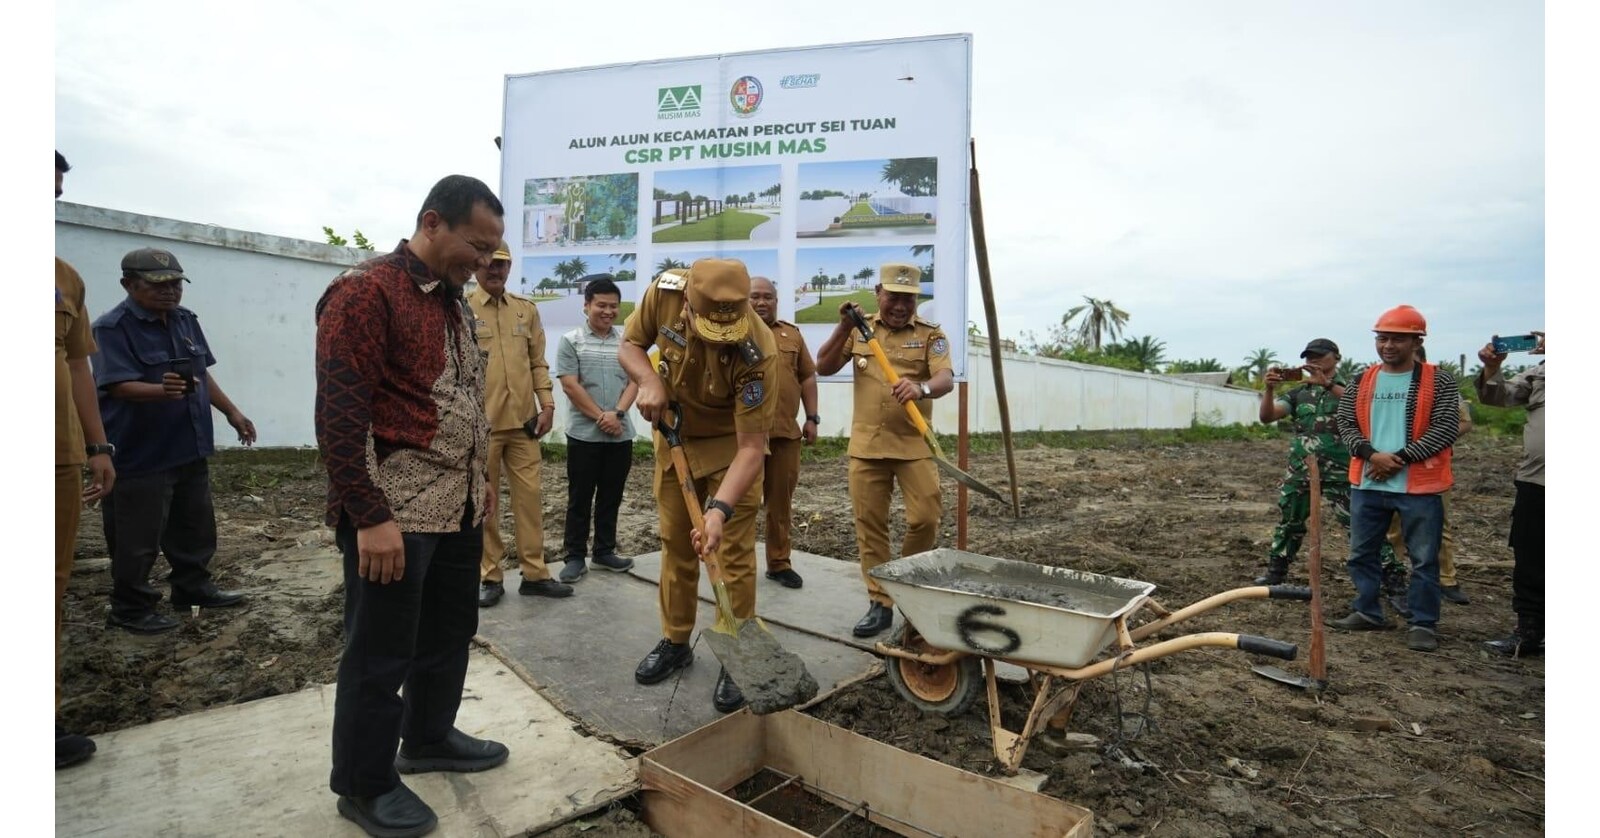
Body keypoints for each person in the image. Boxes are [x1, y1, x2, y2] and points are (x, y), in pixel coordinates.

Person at [315, 175, 510, 838]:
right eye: (476, 246)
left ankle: (427, 737)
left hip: (455, 507)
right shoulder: (365, 292)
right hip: (393, 513)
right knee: (380, 651)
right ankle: (365, 783)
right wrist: (368, 515)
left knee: (448, 634)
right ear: (433, 222)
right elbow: (341, 415)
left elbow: (460, 402)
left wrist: (479, 481)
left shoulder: (455, 301)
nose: (483, 263)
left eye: (491, 252)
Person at [618, 258, 776, 713]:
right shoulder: (664, 293)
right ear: (687, 300)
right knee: (677, 545)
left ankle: (737, 651)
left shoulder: (758, 348)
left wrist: (719, 511)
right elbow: (629, 344)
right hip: (676, 436)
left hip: (732, 447)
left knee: (734, 553)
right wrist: (648, 378)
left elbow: (752, 446)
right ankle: (675, 640)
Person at [92, 247, 252, 635]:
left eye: (176, 284)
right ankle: (130, 607)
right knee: (136, 535)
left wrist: (231, 411)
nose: (170, 292)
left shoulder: (185, 321)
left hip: (188, 442)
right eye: (158, 284)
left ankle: (192, 588)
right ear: (128, 284)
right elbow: (113, 385)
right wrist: (157, 391)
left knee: (195, 525)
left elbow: (202, 374)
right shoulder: (111, 328)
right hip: (141, 451)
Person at [814, 263, 952, 638]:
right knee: (870, 527)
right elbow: (822, 366)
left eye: (908, 298)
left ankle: (906, 586)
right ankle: (880, 603)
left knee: (925, 518)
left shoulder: (930, 335)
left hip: (914, 445)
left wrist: (920, 388)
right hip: (867, 447)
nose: (900, 305)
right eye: (893, 297)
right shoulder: (860, 331)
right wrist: (843, 326)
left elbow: (945, 378)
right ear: (878, 294)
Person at [1327, 305, 1460, 653]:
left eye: (1397, 339)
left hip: (1419, 487)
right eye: (1382, 338)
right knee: (1361, 553)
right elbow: (1346, 422)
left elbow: (1446, 427)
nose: (1388, 345)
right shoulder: (1363, 379)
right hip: (1369, 483)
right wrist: (1372, 455)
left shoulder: (1439, 379)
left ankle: (1422, 623)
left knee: (1424, 558)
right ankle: (1368, 610)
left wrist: (1398, 459)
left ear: (1416, 341)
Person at [468, 241, 570, 607]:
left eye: (503, 264)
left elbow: (537, 362)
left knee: (530, 500)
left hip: (525, 425)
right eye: (490, 263)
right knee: (486, 504)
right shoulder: (462, 308)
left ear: (510, 267)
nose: (495, 270)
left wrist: (547, 403)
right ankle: (490, 575)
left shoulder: (526, 311)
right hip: (482, 428)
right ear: (478, 264)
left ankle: (535, 573)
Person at [1250, 339, 1399, 587]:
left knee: (1360, 526)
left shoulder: (1353, 386)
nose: (1313, 361)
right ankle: (1277, 571)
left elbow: (1365, 408)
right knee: (1289, 522)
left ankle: (1392, 577)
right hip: (1301, 469)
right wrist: (1268, 390)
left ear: (1336, 358)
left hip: (1342, 470)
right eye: (1309, 357)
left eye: (1319, 355)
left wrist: (1328, 385)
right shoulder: (1299, 392)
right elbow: (1267, 417)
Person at [55, 151, 115, 769]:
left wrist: (96, 447)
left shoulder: (62, 278)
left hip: (57, 458)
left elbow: (78, 366)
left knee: (49, 586)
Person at [555, 275, 638, 581]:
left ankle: (604, 552)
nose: (607, 311)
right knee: (580, 497)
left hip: (620, 435)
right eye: (601, 305)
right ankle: (575, 556)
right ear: (586, 305)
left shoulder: (627, 343)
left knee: (611, 495)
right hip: (583, 435)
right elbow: (570, 385)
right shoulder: (571, 340)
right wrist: (601, 417)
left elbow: (635, 381)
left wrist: (617, 413)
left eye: (613, 306)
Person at [1383, 345, 1473, 612]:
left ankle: (1446, 579)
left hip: (1431, 468)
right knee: (1394, 526)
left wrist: (1434, 441)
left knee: (1438, 526)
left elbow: (1464, 422)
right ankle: (1394, 577)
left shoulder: (1440, 385)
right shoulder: (1384, 383)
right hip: (1393, 466)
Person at [1474, 331, 1544, 657]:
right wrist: (1492, 368)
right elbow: (1498, 397)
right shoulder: (1542, 371)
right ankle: (1529, 632)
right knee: (1530, 556)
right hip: (1537, 481)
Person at [748, 276, 819, 589]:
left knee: (780, 504)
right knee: (740, 504)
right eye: (755, 297)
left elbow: (807, 378)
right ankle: (734, 565)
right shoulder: (731, 332)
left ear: (776, 301)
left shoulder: (792, 334)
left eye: (768, 297)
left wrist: (812, 417)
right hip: (743, 438)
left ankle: (778, 563)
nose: (762, 303)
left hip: (785, 435)